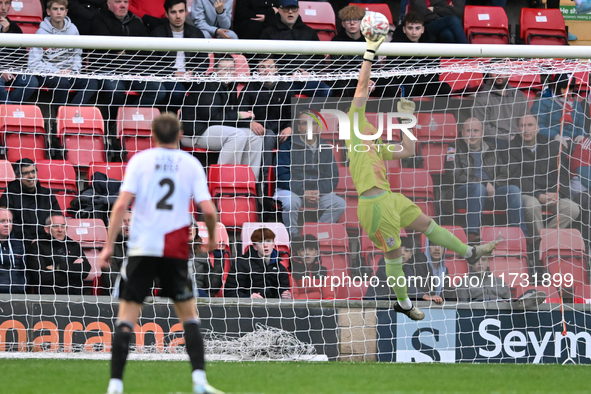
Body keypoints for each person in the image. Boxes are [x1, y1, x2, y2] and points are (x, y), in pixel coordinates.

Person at [347, 33, 497, 321]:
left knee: (428, 225)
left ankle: (470, 252)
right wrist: (369, 55)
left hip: (391, 199)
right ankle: (403, 302)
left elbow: (408, 149)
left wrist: (406, 122)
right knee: (395, 255)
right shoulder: (354, 126)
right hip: (374, 207)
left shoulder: (373, 139)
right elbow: (362, 87)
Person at [97, 113, 223, 394]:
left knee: (127, 317)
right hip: (174, 251)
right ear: (179, 135)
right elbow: (210, 210)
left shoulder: (139, 161)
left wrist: (108, 245)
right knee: (189, 316)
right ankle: (200, 381)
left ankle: (115, 384)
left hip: (142, 248)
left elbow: (120, 207)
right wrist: (213, 238)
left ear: (152, 136)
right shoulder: (190, 164)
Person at [442, 117, 528, 243]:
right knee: (478, 188)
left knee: (513, 190)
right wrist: (484, 183)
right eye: (468, 131)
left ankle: (521, 235)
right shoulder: (454, 148)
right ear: (462, 133)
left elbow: (505, 173)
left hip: (490, 195)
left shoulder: (493, 149)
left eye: (476, 131)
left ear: (482, 133)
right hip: (463, 196)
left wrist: (492, 186)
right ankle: (472, 233)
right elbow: (454, 174)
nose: (472, 134)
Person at [181, 55, 264, 181]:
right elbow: (214, 117)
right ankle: (225, 181)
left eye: (231, 69)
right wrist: (240, 115)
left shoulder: (230, 86)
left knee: (254, 136)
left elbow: (229, 116)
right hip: (194, 133)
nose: (228, 72)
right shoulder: (207, 85)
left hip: (215, 130)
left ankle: (249, 182)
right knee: (238, 135)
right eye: (224, 69)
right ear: (215, 70)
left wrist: (249, 123)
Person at [509, 115, 579, 245]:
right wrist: (537, 194)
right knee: (532, 205)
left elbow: (562, 174)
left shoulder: (551, 146)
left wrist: (558, 194)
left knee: (572, 208)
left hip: (550, 193)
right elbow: (515, 177)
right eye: (522, 126)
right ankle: (539, 245)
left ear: (538, 128)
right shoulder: (511, 148)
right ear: (518, 129)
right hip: (528, 194)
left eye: (530, 125)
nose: (526, 130)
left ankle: (543, 241)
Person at [274, 111, 345, 238]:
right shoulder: (287, 146)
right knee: (291, 202)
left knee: (339, 203)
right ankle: (293, 237)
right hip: (293, 191)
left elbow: (333, 177)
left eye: (313, 123)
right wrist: (303, 191)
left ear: (317, 127)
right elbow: (282, 176)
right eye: (305, 124)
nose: (309, 127)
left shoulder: (326, 148)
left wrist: (318, 191)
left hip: (317, 193)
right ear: (298, 127)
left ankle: (315, 236)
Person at [88, 0, 165, 108]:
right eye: (118, 2)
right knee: (115, 89)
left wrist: (125, 51)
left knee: (159, 91)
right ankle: (114, 123)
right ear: (109, 3)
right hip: (107, 69)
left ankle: (130, 117)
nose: (123, 5)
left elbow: (146, 48)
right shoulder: (98, 19)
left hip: (133, 70)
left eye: (126, 2)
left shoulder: (136, 21)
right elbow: (106, 47)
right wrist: (132, 49)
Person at [28, 0, 99, 107]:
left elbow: (77, 55)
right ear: (48, 11)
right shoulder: (41, 33)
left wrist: (73, 70)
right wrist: (57, 71)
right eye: (55, 9)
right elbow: (33, 63)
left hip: (70, 72)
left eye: (61, 9)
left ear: (66, 12)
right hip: (49, 74)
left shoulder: (73, 29)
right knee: (62, 82)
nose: (58, 12)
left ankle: (71, 111)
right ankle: (58, 119)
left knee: (92, 83)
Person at [259, 0, 331, 98]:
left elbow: (319, 59)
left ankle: (308, 113)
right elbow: (265, 61)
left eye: (294, 8)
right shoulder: (269, 33)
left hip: (307, 79)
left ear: (298, 10)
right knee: (284, 93)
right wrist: (284, 75)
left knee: (326, 91)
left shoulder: (309, 32)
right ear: (279, 10)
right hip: (282, 80)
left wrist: (309, 74)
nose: (290, 12)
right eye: (286, 8)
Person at [241, 56, 295, 184]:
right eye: (262, 67)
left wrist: (290, 127)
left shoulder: (285, 87)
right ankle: (263, 182)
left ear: (276, 69)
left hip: (283, 132)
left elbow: (295, 113)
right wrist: (250, 123)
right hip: (260, 134)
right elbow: (239, 113)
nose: (267, 70)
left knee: (298, 137)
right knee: (269, 135)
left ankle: (288, 183)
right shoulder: (249, 88)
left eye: (270, 67)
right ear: (257, 70)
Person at [150, 0, 209, 107]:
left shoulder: (196, 33)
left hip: (191, 78)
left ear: (186, 12)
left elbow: (204, 61)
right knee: (177, 92)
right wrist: (174, 73)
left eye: (181, 11)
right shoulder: (158, 33)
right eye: (173, 12)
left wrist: (193, 72)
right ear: (167, 14)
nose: (178, 16)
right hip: (168, 77)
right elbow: (152, 64)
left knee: (208, 91)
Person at [387, 12, 451, 98]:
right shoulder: (395, 45)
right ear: (404, 29)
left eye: (417, 28)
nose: (414, 32)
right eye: (410, 28)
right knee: (405, 88)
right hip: (404, 84)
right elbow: (393, 70)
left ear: (422, 29)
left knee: (444, 88)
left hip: (424, 84)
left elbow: (435, 70)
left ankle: (439, 111)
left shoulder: (431, 43)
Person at [0, 159, 62, 244]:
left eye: (33, 171)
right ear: (18, 176)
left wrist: (44, 239)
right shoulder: (9, 195)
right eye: (26, 173)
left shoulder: (47, 194)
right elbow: (11, 224)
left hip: (47, 242)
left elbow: (57, 218)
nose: (31, 176)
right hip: (20, 244)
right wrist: (29, 240)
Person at [27, 213, 91, 295]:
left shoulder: (73, 245)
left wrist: (58, 267)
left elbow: (85, 271)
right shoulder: (37, 246)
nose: (60, 229)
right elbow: (41, 277)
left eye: (63, 226)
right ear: (47, 229)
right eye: (55, 226)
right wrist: (73, 271)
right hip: (48, 297)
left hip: (75, 296)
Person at [224, 227, 291, 299]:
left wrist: (284, 296)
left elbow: (283, 291)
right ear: (255, 247)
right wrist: (248, 297)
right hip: (247, 307)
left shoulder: (280, 268)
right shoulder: (241, 264)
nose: (265, 245)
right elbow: (229, 292)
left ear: (273, 244)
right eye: (260, 242)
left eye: (268, 241)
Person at [473, 66, 529, 141]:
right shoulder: (482, 96)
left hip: (519, 140)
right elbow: (482, 127)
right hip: (493, 142)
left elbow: (527, 120)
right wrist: (507, 137)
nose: (499, 74)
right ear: (489, 74)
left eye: (502, 70)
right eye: (494, 70)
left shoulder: (519, 95)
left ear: (508, 73)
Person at [0, 0, 39, 104]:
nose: (3, 7)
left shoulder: (14, 28)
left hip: (11, 71)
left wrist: (7, 33)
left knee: (31, 82)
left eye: (7, 3)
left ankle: (7, 110)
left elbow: (20, 57)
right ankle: (9, 115)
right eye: (0, 3)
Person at [531, 74, 587, 145]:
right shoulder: (542, 103)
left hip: (574, 141)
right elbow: (538, 126)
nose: (569, 92)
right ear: (557, 87)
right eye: (565, 88)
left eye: (571, 88)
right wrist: (555, 136)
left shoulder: (577, 104)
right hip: (551, 142)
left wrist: (581, 135)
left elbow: (581, 125)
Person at [290, 234, 334, 299]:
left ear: (317, 252)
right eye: (303, 250)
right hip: (299, 308)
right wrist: (318, 295)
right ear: (298, 253)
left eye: (311, 249)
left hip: (321, 309)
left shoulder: (325, 272)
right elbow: (295, 298)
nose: (307, 253)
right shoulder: (292, 272)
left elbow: (329, 298)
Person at [100, 210, 130, 294]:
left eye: (130, 220)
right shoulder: (110, 249)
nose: (127, 224)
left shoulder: (140, 246)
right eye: (123, 221)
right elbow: (111, 279)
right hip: (116, 298)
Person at [190, 227, 223, 297]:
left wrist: (218, 258)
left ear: (196, 231)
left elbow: (213, 286)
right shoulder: (169, 251)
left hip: (197, 294)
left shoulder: (202, 255)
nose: (189, 229)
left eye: (192, 226)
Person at [0, 208, 26, 294]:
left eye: (9, 221)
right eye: (2, 221)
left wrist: (21, 287)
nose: (7, 225)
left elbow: (25, 270)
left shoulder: (19, 244)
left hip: (17, 294)